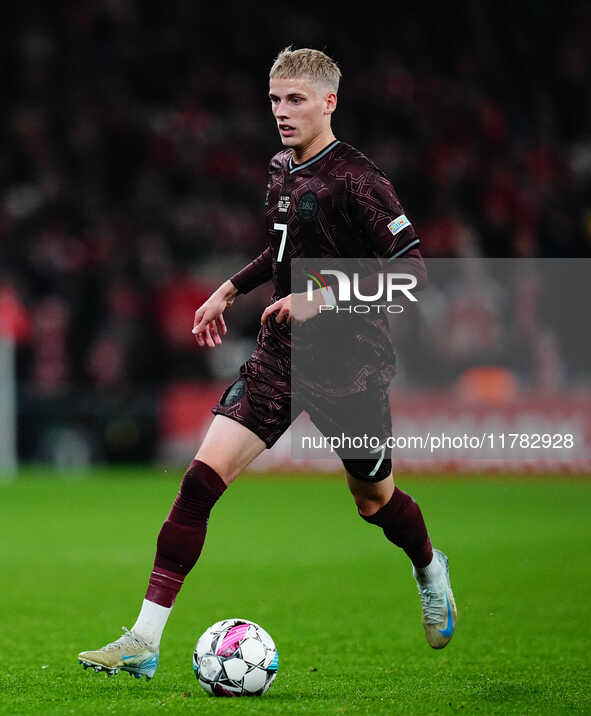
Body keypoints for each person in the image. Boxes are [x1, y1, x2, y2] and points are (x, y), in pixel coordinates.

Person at [78, 46, 457, 681]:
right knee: (199, 482)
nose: (281, 112)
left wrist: (326, 295)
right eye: (275, 99)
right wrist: (231, 287)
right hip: (280, 359)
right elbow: (281, 248)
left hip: (353, 369)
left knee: (372, 500)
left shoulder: (361, 181)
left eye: (296, 100)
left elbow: (414, 273)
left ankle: (427, 565)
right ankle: (144, 640)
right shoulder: (281, 168)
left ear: (329, 102)